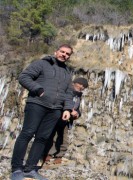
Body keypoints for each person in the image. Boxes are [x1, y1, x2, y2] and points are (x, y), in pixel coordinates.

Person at [11, 44, 75, 180]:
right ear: (56, 51)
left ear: (69, 56)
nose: (64, 55)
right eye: (62, 52)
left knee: (42, 138)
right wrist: (38, 89)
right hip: (37, 104)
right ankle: (16, 169)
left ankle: (31, 169)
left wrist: (67, 109)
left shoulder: (67, 73)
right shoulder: (42, 64)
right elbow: (24, 77)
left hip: (55, 109)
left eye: (67, 54)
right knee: (27, 134)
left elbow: (69, 93)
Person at [41, 77, 88, 165]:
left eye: (84, 86)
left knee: (63, 138)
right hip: (56, 117)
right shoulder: (65, 91)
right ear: (74, 83)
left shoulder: (78, 96)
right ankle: (48, 154)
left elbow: (77, 109)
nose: (81, 87)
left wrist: (77, 114)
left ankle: (59, 156)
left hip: (66, 121)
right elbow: (59, 102)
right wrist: (69, 110)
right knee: (52, 136)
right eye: (80, 84)